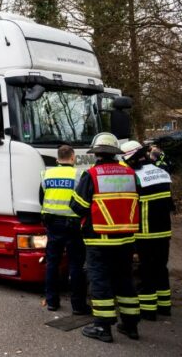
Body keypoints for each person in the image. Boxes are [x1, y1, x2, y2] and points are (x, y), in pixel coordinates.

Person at [71, 132, 140, 343]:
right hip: (126, 239)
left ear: (97, 153)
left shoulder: (91, 175)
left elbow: (78, 206)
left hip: (99, 239)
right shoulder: (130, 174)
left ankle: (102, 327)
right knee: (125, 280)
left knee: (100, 280)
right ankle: (130, 326)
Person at [122, 141, 175, 320]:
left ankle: (148, 310)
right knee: (161, 267)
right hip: (164, 231)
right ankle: (165, 306)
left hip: (145, 232)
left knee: (146, 270)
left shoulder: (135, 177)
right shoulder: (161, 171)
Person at [40, 145, 88, 314]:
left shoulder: (46, 174)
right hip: (73, 226)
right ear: (73, 158)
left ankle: (52, 302)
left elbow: (42, 198)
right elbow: (84, 202)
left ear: (57, 159)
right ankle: (78, 305)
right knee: (75, 265)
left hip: (52, 224)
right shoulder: (79, 175)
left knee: (52, 263)